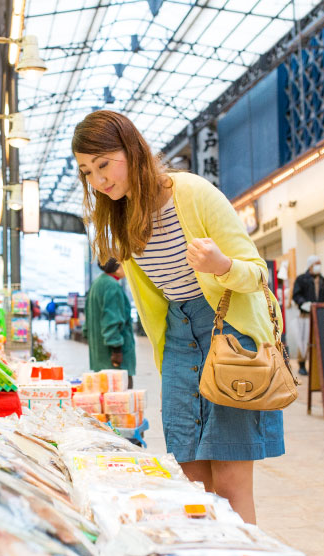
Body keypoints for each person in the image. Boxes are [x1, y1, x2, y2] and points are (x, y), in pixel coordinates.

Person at [73, 110, 284, 524]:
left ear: (131, 149)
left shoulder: (191, 192)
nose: (97, 180)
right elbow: (159, 303)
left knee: (230, 481)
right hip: (179, 346)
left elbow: (257, 272)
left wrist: (222, 265)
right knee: (190, 483)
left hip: (230, 340)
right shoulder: (123, 219)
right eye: (86, 171)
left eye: (103, 164)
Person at [83, 258, 137, 386]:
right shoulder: (112, 286)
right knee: (120, 400)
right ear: (118, 268)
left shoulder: (97, 283)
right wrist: (116, 350)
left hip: (99, 357)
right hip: (113, 362)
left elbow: (87, 321)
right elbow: (112, 320)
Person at [291, 255, 324, 375]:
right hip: (305, 315)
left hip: (320, 314)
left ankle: (320, 365)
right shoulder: (301, 279)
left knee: (320, 340)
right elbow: (296, 295)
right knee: (303, 340)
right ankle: (302, 364)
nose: (318, 266)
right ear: (310, 265)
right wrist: (304, 304)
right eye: (316, 264)